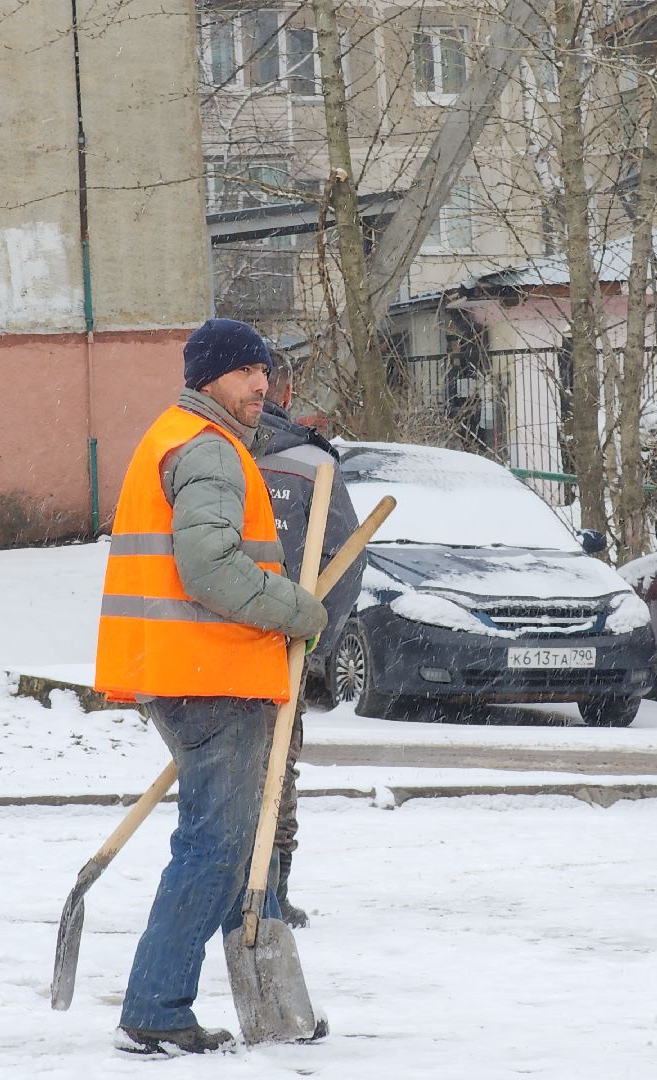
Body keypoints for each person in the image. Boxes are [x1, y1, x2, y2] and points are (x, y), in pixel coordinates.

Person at [94, 317, 328, 1056]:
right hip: (212, 677)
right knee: (217, 845)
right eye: (246, 372)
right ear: (209, 379)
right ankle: (157, 1007)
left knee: (239, 842)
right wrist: (298, 608)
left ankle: (270, 1004)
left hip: (192, 673)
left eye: (266, 371)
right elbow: (210, 568)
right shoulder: (208, 450)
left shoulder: (178, 436)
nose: (263, 385)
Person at [254, 354, 364, 929]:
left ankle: (229, 886)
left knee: (221, 772)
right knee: (278, 768)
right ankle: (269, 894)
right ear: (287, 392)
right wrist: (317, 646)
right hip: (282, 648)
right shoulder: (311, 462)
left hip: (209, 645)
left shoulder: (201, 446)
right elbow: (345, 564)